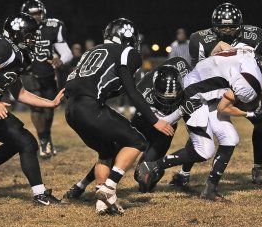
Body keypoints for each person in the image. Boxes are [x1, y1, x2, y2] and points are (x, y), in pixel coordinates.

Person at [137, 35, 262, 201]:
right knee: (204, 150)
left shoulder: (249, 50)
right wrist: (250, 113)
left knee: (230, 138)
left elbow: (221, 47)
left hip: (205, 91)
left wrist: (213, 70)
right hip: (194, 95)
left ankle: (210, 190)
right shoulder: (250, 80)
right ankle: (154, 165)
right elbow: (223, 108)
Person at [171, 2, 262, 186]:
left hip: (246, 88)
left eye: (231, 26)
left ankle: (258, 167)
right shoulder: (200, 39)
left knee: (261, 120)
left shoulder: (254, 35)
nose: (227, 30)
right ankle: (184, 172)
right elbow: (200, 68)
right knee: (203, 127)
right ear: (214, 26)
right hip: (216, 89)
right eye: (223, 26)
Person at [65, 18, 174, 215]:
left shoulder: (92, 51)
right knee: (137, 141)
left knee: (106, 151)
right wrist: (155, 120)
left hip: (71, 109)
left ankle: (101, 204)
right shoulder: (127, 52)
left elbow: (74, 80)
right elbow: (132, 92)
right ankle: (108, 188)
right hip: (90, 107)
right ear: (126, 36)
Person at [0, 13, 67, 205]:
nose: (34, 39)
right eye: (29, 34)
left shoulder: (20, 54)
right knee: (26, 142)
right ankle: (40, 194)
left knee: (19, 141)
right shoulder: (3, 46)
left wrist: (50, 102)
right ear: (16, 33)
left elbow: (20, 93)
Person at [63, 57, 190, 200]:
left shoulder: (187, 74)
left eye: (173, 99)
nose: (168, 104)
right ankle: (81, 185)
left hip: (166, 129)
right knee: (113, 153)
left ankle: (153, 175)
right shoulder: (142, 89)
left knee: (143, 177)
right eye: (164, 99)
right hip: (145, 121)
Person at [20, 0, 73, 159]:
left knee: (50, 108)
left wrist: (61, 60)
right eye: (32, 14)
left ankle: (46, 137)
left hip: (48, 73)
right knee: (36, 108)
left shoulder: (53, 26)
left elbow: (66, 51)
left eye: (37, 13)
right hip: (29, 73)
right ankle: (43, 141)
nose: (35, 16)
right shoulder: (20, 28)